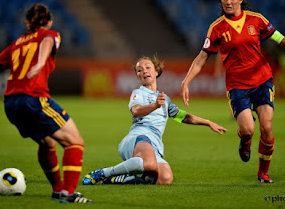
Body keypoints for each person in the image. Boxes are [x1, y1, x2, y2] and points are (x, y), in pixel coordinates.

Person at [181, 0, 285, 183]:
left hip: (263, 80)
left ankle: (263, 173)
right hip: (238, 86)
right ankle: (245, 139)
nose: (228, 2)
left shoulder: (256, 20)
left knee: (267, 128)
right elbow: (202, 58)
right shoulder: (217, 28)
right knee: (248, 129)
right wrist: (186, 82)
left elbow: (279, 38)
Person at [0, 4, 91, 203]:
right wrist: (41, 62)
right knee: (75, 141)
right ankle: (69, 193)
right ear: (49, 22)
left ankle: (58, 190)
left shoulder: (16, 43)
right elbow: (48, 40)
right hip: (33, 98)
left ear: (26, 23)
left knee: (47, 142)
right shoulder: (50, 35)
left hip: (11, 103)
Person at [82, 55, 227, 185]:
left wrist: (208, 122)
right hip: (138, 138)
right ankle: (103, 173)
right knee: (150, 165)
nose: (144, 71)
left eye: (147, 67)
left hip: (155, 146)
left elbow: (183, 117)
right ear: (138, 76)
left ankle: (126, 179)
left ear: (156, 72)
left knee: (165, 178)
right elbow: (136, 111)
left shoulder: (165, 99)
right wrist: (155, 105)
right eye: (139, 70)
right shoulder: (138, 93)